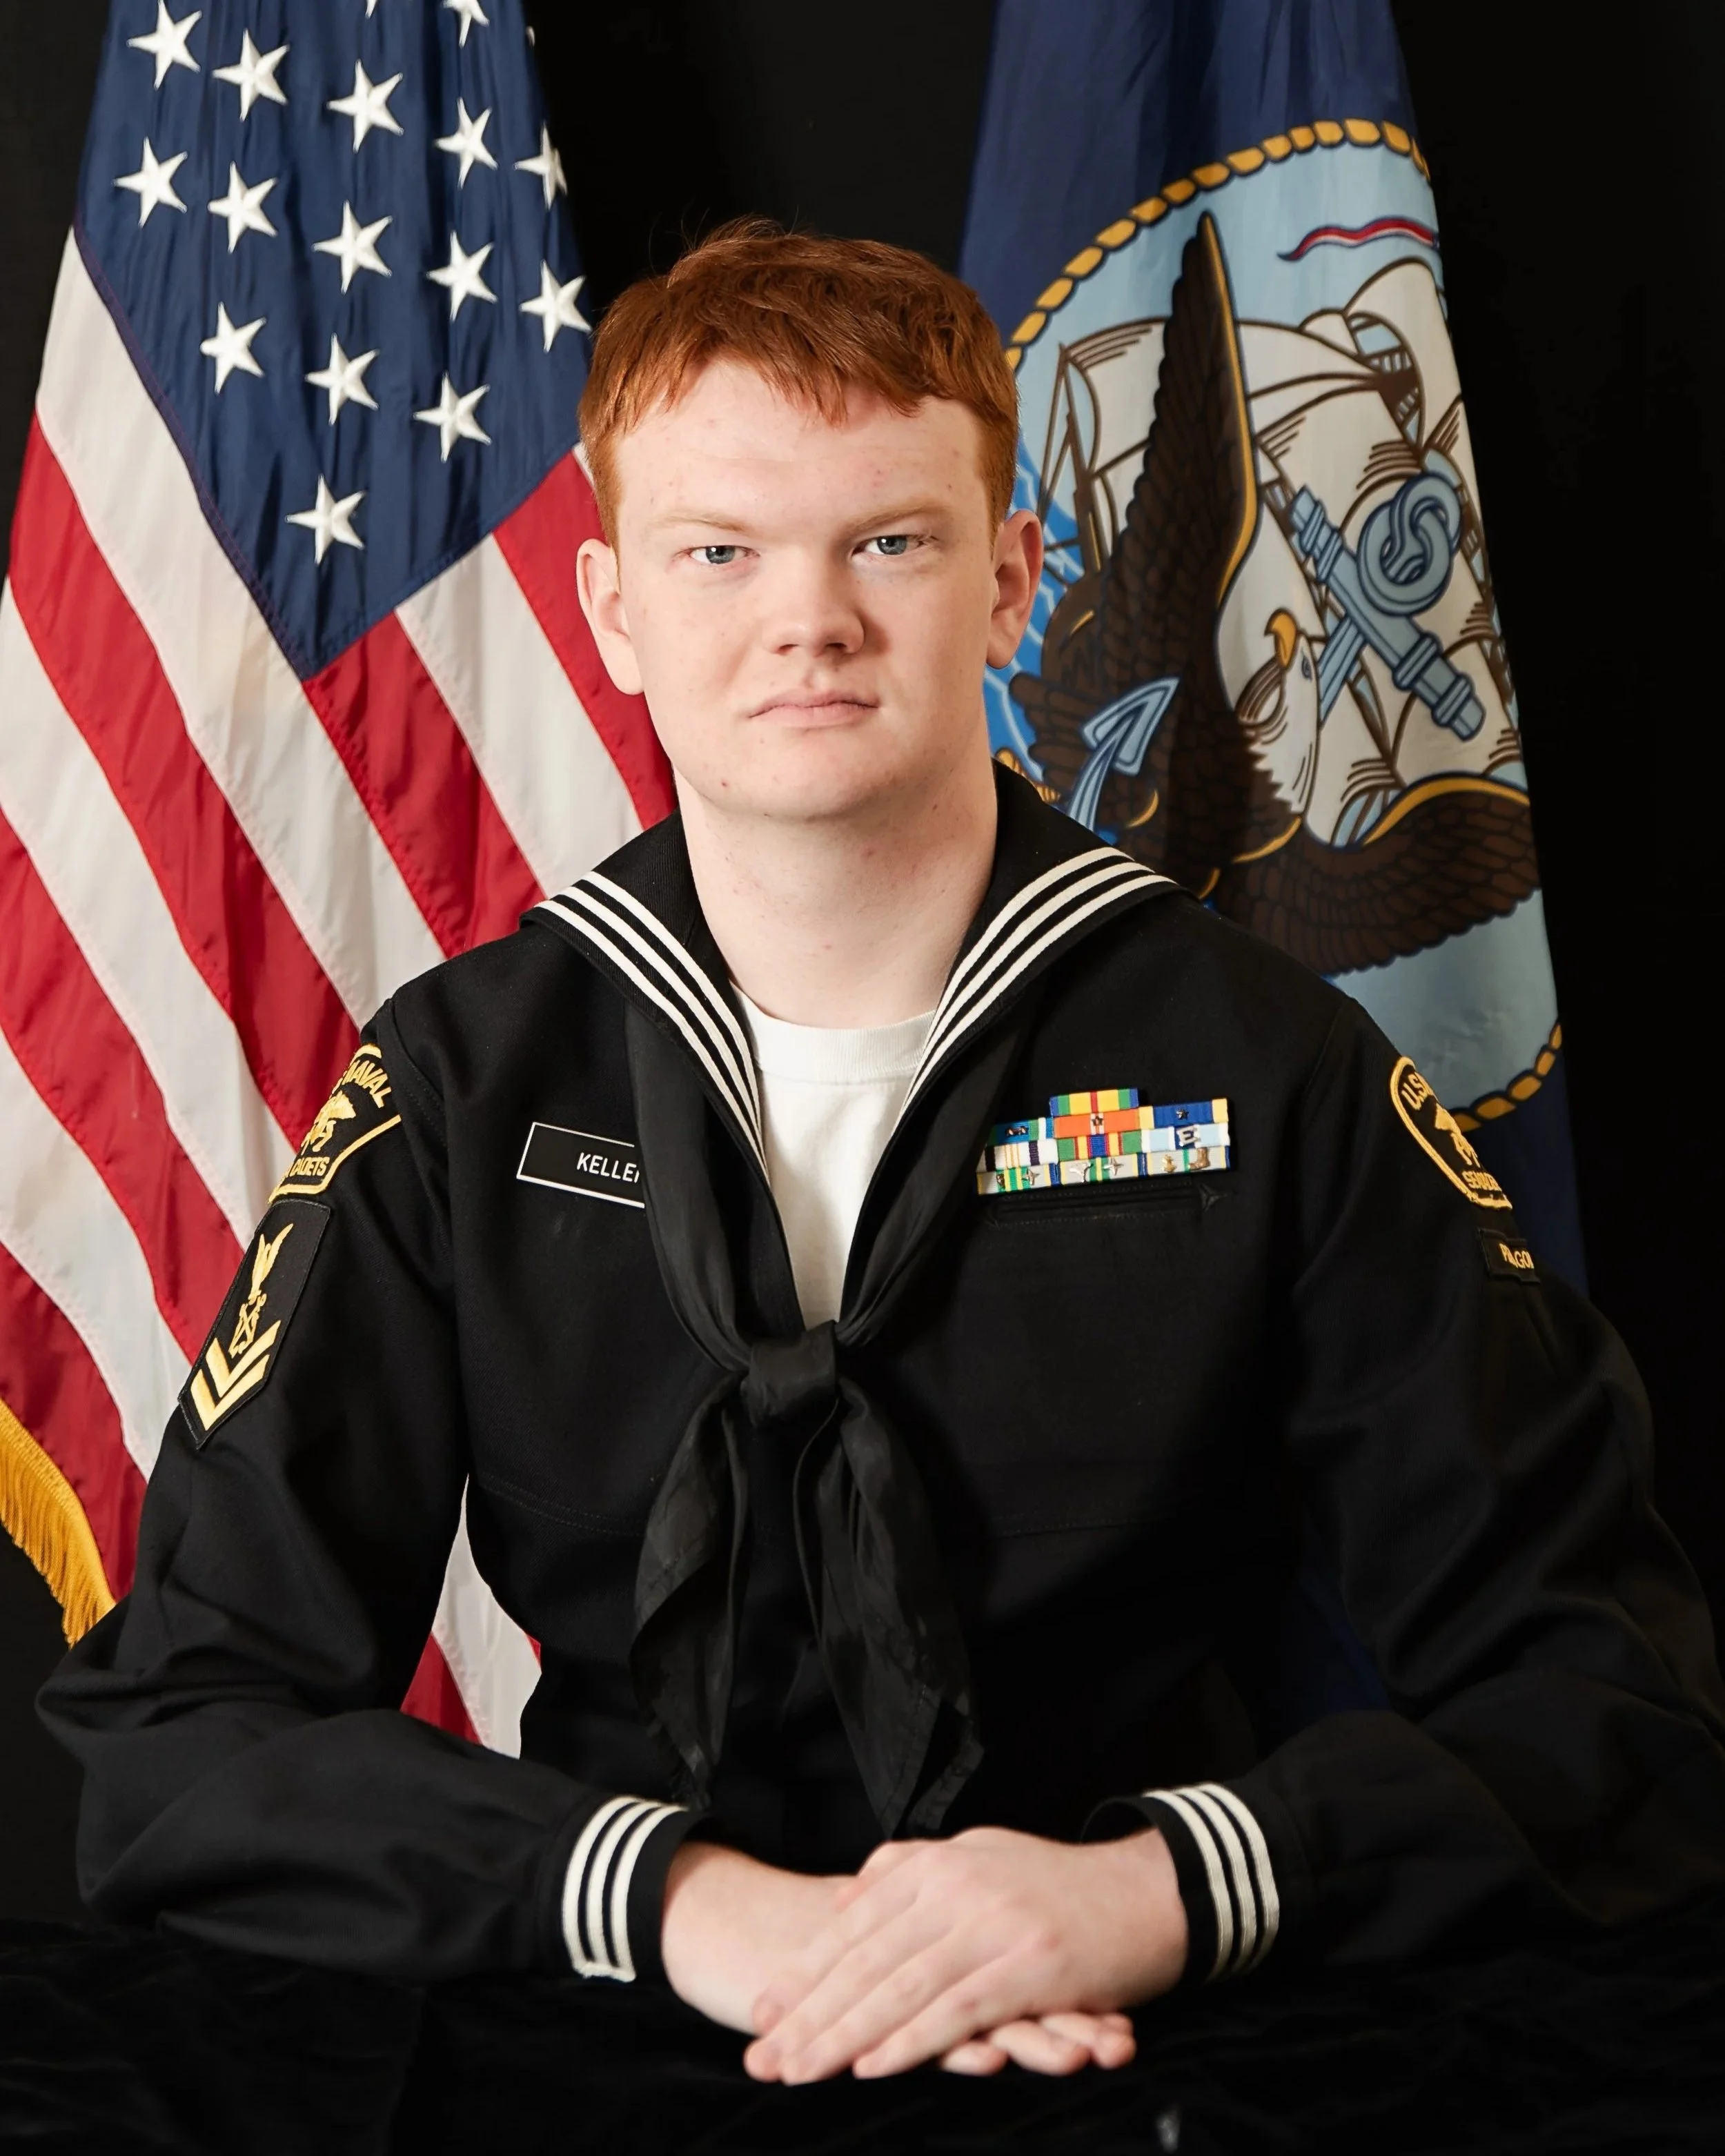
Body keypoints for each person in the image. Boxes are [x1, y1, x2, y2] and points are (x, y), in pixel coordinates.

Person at [41, 222, 1725, 2089]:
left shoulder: (1262, 1067)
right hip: (599, 2003)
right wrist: (684, 1902)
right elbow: (182, 1730)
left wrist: (1158, 1887)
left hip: (1138, 2017)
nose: (810, 619)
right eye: (720, 551)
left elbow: (1616, 1696)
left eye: (891, 541)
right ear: (611, 610)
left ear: (1010, 582)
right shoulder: (463, 1088)